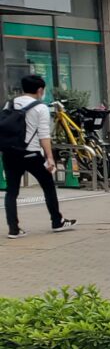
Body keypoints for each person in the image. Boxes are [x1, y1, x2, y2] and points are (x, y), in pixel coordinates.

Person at [3, 74, 76, 238]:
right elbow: (44, 136)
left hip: (10, 153)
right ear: (40, 90)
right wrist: (50, 157)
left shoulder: (10, 103)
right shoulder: (40, 107)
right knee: (48, 186)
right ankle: (57, 221)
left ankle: (13, 229)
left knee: (11, 191)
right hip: (31, 154)